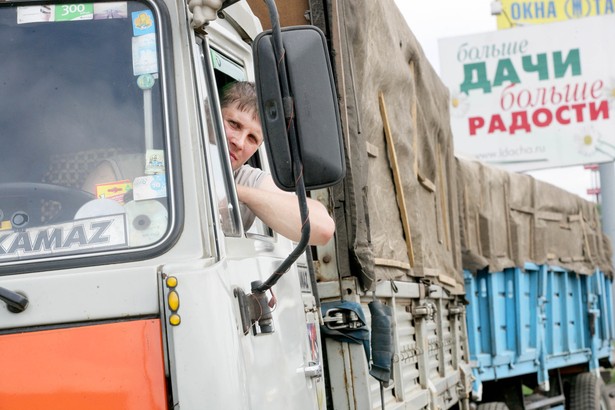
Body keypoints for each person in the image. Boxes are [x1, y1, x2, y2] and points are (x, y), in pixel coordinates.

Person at [221, 81, 335, 246]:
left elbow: (323, 228)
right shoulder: (172, 156)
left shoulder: (244, 179)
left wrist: (234, 191)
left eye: (252, 138)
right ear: (209, 114)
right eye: (234, 124)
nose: (239, 142)